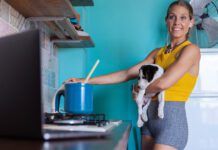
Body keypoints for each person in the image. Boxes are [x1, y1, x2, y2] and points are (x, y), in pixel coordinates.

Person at [67, 0, 200, 149]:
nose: (177, 22)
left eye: (183, 18)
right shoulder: (157, 53)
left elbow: (164, 83)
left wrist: (140, 91)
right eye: (172, 17)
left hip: (171, 122)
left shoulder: (191, 50)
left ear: (191, 22)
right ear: (166, 21)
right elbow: (126, 73)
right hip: (147, 121)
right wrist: (85, 81)